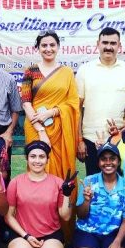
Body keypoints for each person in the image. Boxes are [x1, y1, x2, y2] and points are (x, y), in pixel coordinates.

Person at [75, 27, 125, 176]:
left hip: (121, 138)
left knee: (121, 183)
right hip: (90, 138)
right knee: (95, 185)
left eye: (113, 43)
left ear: (119, 46)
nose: (109, 47)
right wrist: (79, 140)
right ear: (98, 44)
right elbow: (77, 108)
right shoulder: (85, 70)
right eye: (105, 42)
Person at [21, 30, 80, 185]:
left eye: (52, 45)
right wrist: (40, 130)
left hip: (60, 127)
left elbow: (73, 103)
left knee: (62, 168)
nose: (48, 49)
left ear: (58, 46)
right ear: (38, 48)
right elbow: (26, 102)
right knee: (38, 164)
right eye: (44, 45)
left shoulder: (67, 72)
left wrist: (51, 112)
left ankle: (62, 204)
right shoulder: (30, 71)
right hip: (35, 126)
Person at [4, 141, 71, 248]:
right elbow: (9, 215)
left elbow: (65, 216)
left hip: (50, 235)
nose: (37, 161)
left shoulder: (57, 182)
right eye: (33, 156)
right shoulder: (16, 182)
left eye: (42, 157)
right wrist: (26, 236)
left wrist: (67, 194)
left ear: (47, 159)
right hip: (23, 234)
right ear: (27, 159)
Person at [71, 143, 125, 248]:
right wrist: (87, 201)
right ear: (98, 162)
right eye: (103, 159)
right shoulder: (89, 181)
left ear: (118, 161)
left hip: (114, 233)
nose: (108, 162)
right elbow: (81, 215)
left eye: (112, 158)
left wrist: (117, 242)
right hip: (88, 231)